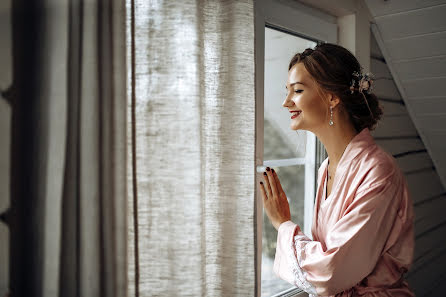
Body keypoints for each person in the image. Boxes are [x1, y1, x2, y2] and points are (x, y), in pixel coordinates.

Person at [259, 43, 415, 297]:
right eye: (287, 91)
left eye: (297, 90)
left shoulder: (378, 171)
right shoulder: (326, 169)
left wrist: (283, 223)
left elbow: (331, 272)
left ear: (332, 96)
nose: (286, 102)